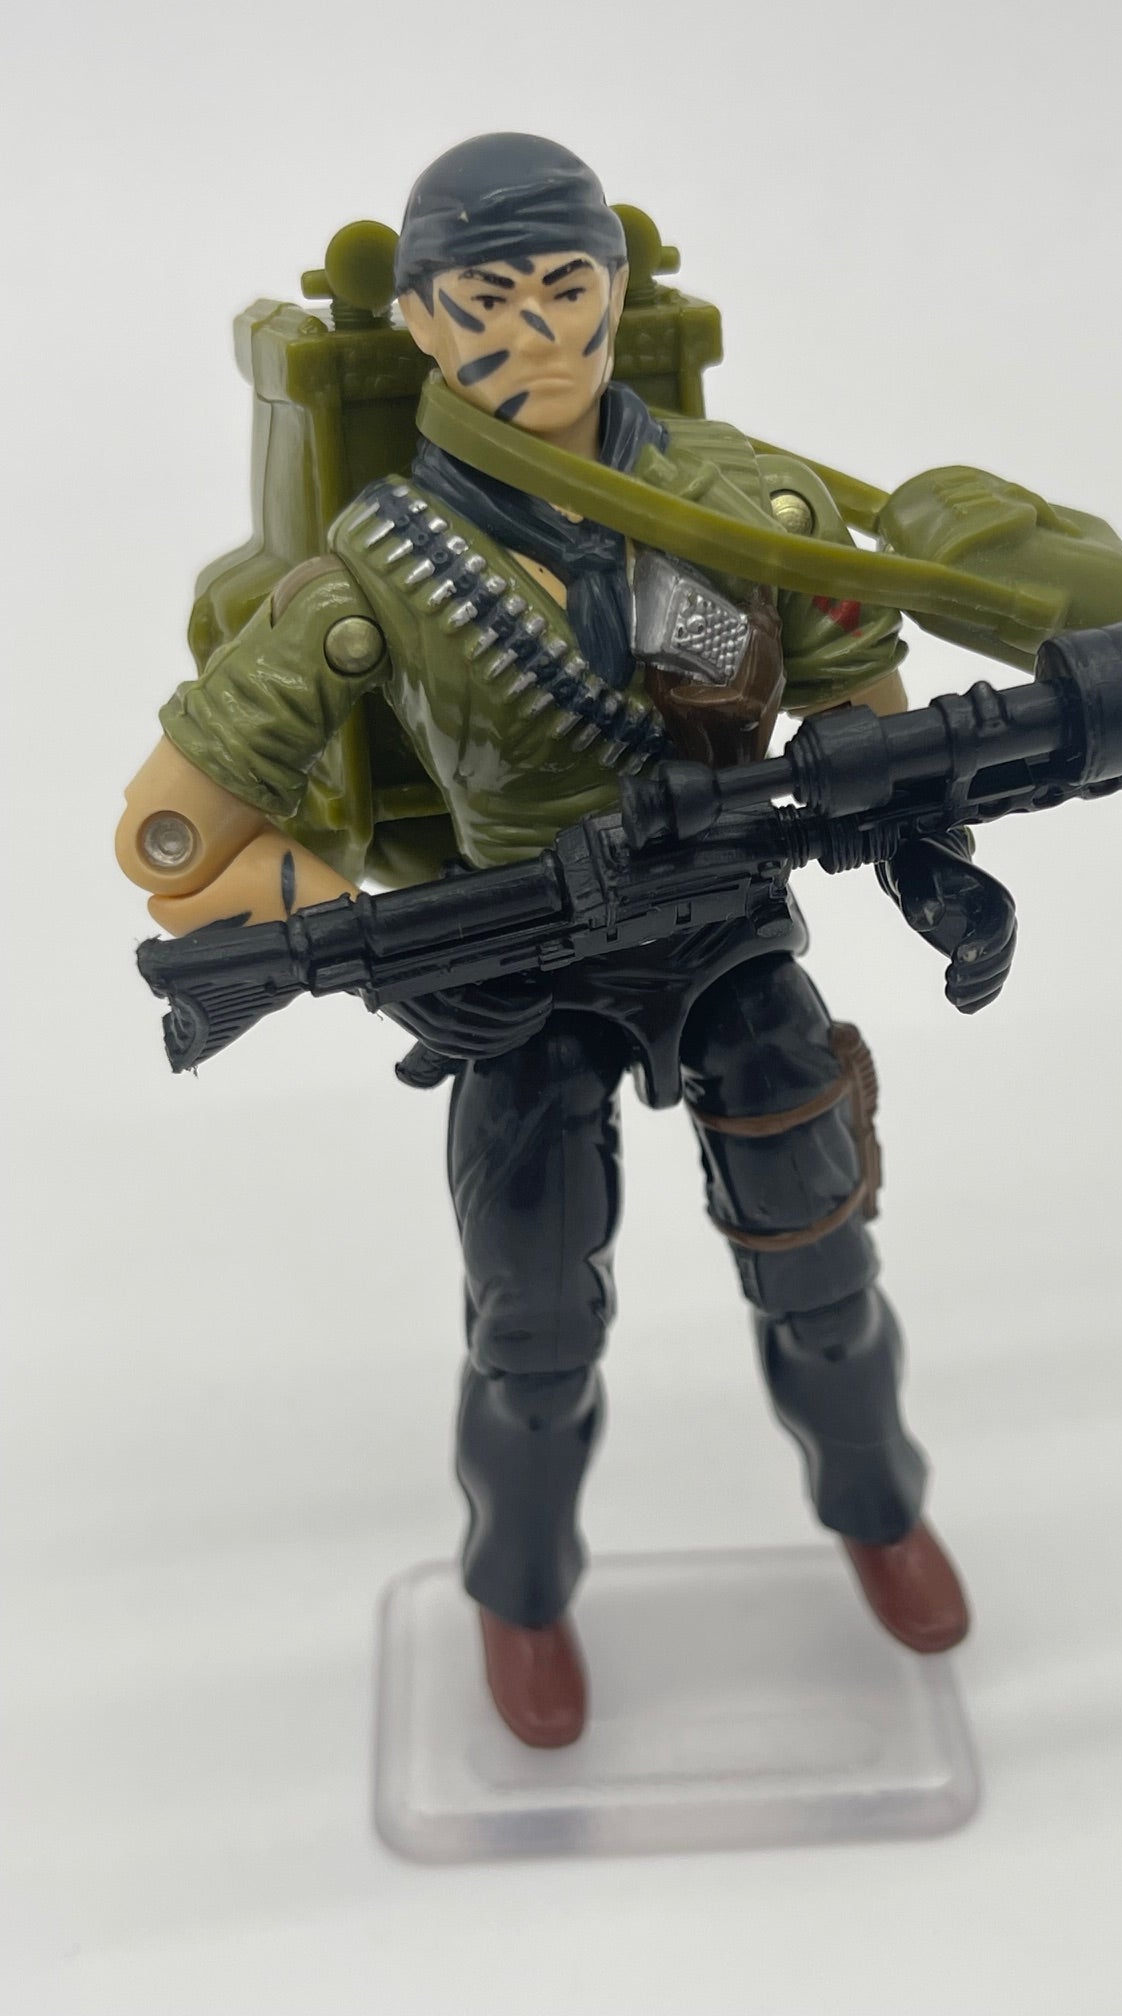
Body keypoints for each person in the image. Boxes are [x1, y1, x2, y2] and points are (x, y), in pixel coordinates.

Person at [116, 134, 1018, 1747]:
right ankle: (521, 1595)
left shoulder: (737, 503)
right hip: (523, 978)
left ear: (615, 290)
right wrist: (391, 947)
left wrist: (931, 868)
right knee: (532, 1335)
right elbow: (172, 839)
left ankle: (879, 1510)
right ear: (416, 320)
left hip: (729, 943)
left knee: (823, 1271)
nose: (530, 333)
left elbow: (871, 740)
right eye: (483, 299)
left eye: (561, 287)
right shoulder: (387, 569)